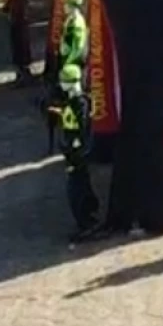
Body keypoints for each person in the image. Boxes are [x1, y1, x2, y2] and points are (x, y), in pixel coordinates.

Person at [48, 63, 102, 241]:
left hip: (76, 155)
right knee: (78, 187)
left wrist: (76, 151)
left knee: (77, 190)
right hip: (72, 152)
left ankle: (87, 222)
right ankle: (86, 220)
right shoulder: (73, 102)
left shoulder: (81, 103)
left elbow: (83, 129)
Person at [4, 0, 33, 85]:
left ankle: (25, 73)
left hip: (20, 14)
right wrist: (7, 6)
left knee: (21, 43)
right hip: (15, 13)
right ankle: (19, 72)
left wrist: (16, 12)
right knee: (15, 42)